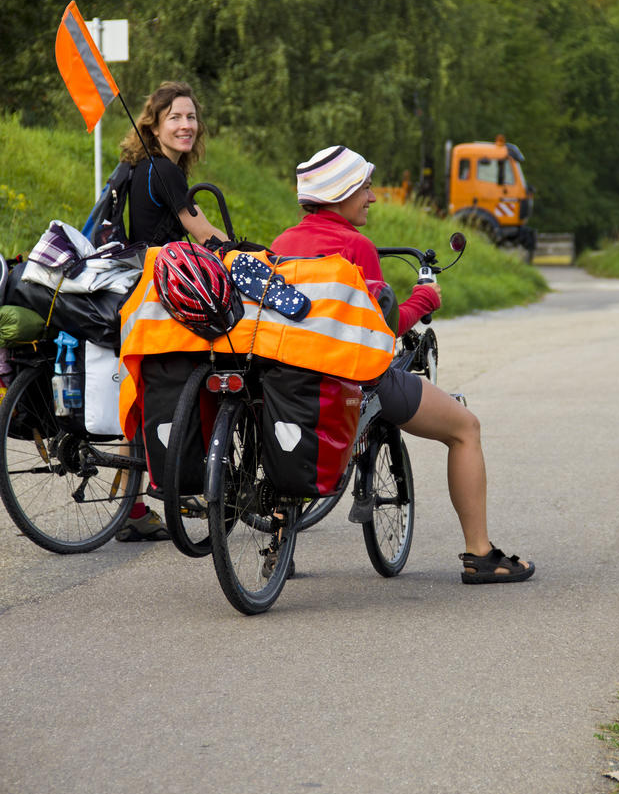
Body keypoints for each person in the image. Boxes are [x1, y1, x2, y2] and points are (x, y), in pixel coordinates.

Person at [271, 145, 535, 584]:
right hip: (353, 380)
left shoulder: (282, 243)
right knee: (465, 428)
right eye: (365, 188)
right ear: (341, 192)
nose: (372, 197)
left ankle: (279, 548)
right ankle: (480, 554)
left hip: (290, 379)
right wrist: (423, 299)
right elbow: (381, 328)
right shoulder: (355, 248)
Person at [115, 81, 229, 542]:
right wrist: (242, 252)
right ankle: (203, 478)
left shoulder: (138, 167)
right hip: (160, 295)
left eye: (190, 117)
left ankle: (132, 505)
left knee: (143, 393)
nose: (185, 125)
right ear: (155, 125)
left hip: (134, 291)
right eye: (175, 118)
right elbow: (201, 232)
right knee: (225, 357)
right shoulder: (164, 171)